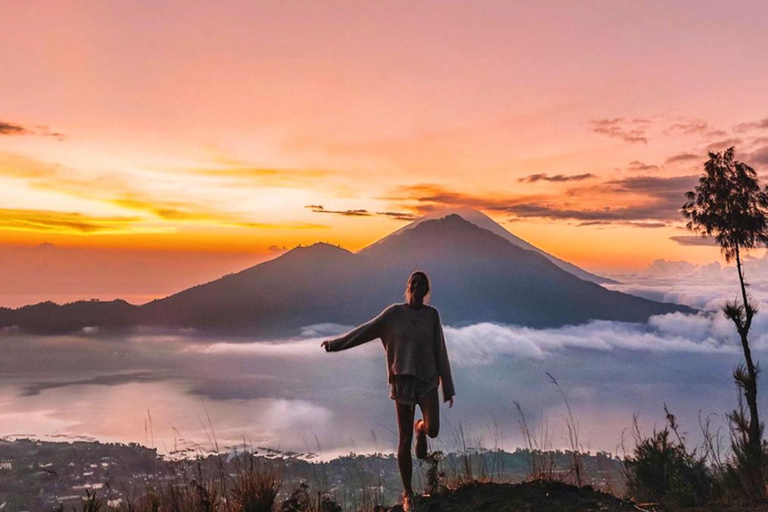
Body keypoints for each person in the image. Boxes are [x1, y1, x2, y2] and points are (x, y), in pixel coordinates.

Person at [321, 270, 455, 511]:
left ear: (426, 291)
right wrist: (336, 345)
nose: (417, 285)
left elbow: (440, 350)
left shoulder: (432, 316)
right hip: (402, 382)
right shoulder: (394, 314)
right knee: (403, 441)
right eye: (414, 281)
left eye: (422, 283)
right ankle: (408, 494)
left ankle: (420, 429)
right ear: (408, 286)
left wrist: (448, 386)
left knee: (433, 428)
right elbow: (365, 331)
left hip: (426, 381)